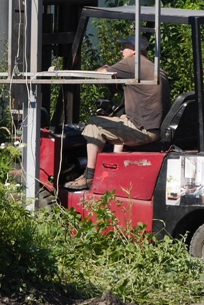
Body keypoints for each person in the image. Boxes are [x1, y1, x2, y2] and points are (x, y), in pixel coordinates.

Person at [64, 36, 170, 191]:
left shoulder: (131, 63)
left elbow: (100, 75)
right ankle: (116, 168)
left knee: (94, 123)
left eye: (125, 46)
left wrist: (104, 67)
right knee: (120, 118)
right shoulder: (155, 68)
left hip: (142, 132)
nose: (122, 50)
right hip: (154, 128)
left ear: (134, 50)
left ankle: (88, 176)